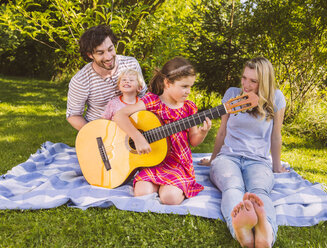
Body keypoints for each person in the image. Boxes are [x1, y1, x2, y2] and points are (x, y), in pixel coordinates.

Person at [198, 57, 288, 247]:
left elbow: (275, 136)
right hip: (227, 157)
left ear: (264, 82)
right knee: (232, 186)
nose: (246, 85)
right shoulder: (232, 94)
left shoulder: (276, 98)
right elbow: (222, 131)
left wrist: (277, 166)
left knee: (259, 190)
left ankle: (267, 233)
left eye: (253, 81)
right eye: (244, 78)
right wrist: (213, 160)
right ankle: (241, 231)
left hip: (258, 160)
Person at [113, 57, 212, 205]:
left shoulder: (189, 108)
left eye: (190, 86)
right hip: (153, 162)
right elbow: (119, 115)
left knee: (170, 198)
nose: (188, 91)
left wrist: (202, 133)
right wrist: (138, 138)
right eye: (184, 86)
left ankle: (169, 188)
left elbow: (194, 141)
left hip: (178, 163)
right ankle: (159, 186)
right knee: (141, 193)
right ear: (167, 83)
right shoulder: (152, 101)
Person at [66, 24, 147, 130]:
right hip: (101, 133)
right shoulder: (81, 80)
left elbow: (143, 96)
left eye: (110, 49)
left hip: (135, 128)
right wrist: (98, 135)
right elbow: (73, 115)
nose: (108, 57)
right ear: (90, 55)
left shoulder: (131, 64)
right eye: (100, 53)